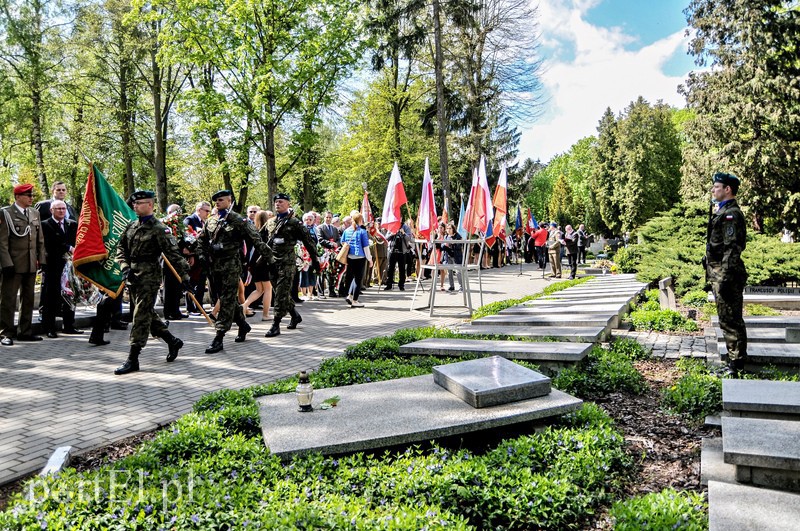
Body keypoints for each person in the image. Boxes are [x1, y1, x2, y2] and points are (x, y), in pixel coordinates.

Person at [114, 191, 191, 375]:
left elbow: (173, 254)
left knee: (140, 316)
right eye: (134, 203)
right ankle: (172, 341)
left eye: (139, 203)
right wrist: (125, 267)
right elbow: (120, 247)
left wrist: (185, 278)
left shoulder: (159, 228)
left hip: (149, 277)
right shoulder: (131, 226)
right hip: (132, 276)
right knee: (146, 313)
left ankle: (133, 358)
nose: (135, 206)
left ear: (150, 205)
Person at [198, 190, 271, 353]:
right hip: (214, 267)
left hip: (231, 266)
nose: (217, 202)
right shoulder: (211, 221)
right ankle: (243, 325)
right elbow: (201, 241)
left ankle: (219, 336)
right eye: (215, 200)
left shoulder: (238, 220)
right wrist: (202, 256)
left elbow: (255, 239)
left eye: (221, 199)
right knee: (225, 298)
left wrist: (270, 258)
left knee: (226, 298)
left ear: (230, 200)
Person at [706, 172, 748, 376]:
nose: (713, 190)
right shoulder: (723, 212)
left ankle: (736, 366)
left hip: (727, 276)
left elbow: (732, 249)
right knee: (726, 320)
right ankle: (733, 362)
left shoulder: (731, 214)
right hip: (720, 274)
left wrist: (724, 277)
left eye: (716, 187)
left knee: (731, 321)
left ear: (727, 189)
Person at [263, 193, 319, 337]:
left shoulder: (294, 223)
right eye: (276, 202)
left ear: (288, 204)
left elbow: (309, 242)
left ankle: (275, 325)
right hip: (272, 263)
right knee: (281, 293)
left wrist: (316, 260)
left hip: (287, 262)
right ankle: (294, 315)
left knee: (281, 294)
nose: (278, 204)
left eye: (281, 202)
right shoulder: (270, 222)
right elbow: (261, 241)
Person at [0, 184, 46, 345]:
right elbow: (2, 242)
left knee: (28, 299)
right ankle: (5, 333)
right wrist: (6, 263)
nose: (31, 198)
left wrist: (42, 260)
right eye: (28, 195)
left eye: (31, 195)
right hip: (13, 264)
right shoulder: (6, 213)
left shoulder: (34, 213)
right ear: (18, 196)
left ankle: (25, 331)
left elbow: (40, 239)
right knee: (8, 300)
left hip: (30, 263)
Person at [41, 200, 83, 337]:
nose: (61, 211)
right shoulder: (46, 224)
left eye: (63, 208)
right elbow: (50, 243)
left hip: (70, 266)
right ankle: (50, 328)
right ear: (51, 210)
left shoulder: (72, 224)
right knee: (51, 297)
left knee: (70, 294)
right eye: (58, 208)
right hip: (54, 265)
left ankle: (69, 325)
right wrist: (68, 248)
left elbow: (78, 241)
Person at [241, 210, 273, 321]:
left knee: (259, 289)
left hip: (253, 263)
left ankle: (244, 305)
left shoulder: (253, 232)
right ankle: (266, 314)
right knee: (268, 288)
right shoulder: (267, 233)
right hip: (263, 263)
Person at [183, 201, 211, 314]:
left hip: (203, 256)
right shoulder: (189, 220)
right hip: (193, 256)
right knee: (192, 281)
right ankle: (190, 307)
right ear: (199, 209)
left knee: (201, 282)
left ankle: (199, 306)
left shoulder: (205, 222)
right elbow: (186, 238)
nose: (208, 213)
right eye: (206, 211)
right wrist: (190, 255)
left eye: (209, 211)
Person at [340, 212, 372, 307]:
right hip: (360, 257)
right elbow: (366, 247)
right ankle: (355, 300)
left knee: (352, 277)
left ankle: (349, 295)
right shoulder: (362, 231)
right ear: (360, 220)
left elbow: (342, 242)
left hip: (350, 257)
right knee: (358, 279)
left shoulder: (347, 230)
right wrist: (370, 259)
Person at [316, 211, 340, 297]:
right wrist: (330, 244)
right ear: (324, 218)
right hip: (323, 253)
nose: (328, 219)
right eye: (327, 217)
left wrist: (336, 244)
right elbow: (320, 239)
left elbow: (338, 239)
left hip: (333, 252)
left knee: (332, 272)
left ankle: (331, 290)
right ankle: (320, 292)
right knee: (322, 272)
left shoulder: (334, 229)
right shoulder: (320, 228)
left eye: (330, 217)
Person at [384, 220, 412, 291]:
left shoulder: (406, 227)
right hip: (392, 251)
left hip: (402, 251)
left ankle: (401, 285)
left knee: (402, 269)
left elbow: (409, 239)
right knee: (390, 268)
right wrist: (392, 234)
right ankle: (389, 284)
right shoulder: (392, 227)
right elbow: (386, 238)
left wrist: (403, 233)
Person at [441, 222, 463, 292]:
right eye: (447, 228)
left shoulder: (458, 236)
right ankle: (451, 286)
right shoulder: (446, 236)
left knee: (458, 272)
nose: (448, 230)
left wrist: (453, 243)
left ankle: (461, 287)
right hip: (448, 256)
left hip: (456, 256)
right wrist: (445, 245)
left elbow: (460, 245)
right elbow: (441, 246)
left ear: (453, 229)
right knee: (449, 272)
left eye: (450, 228)